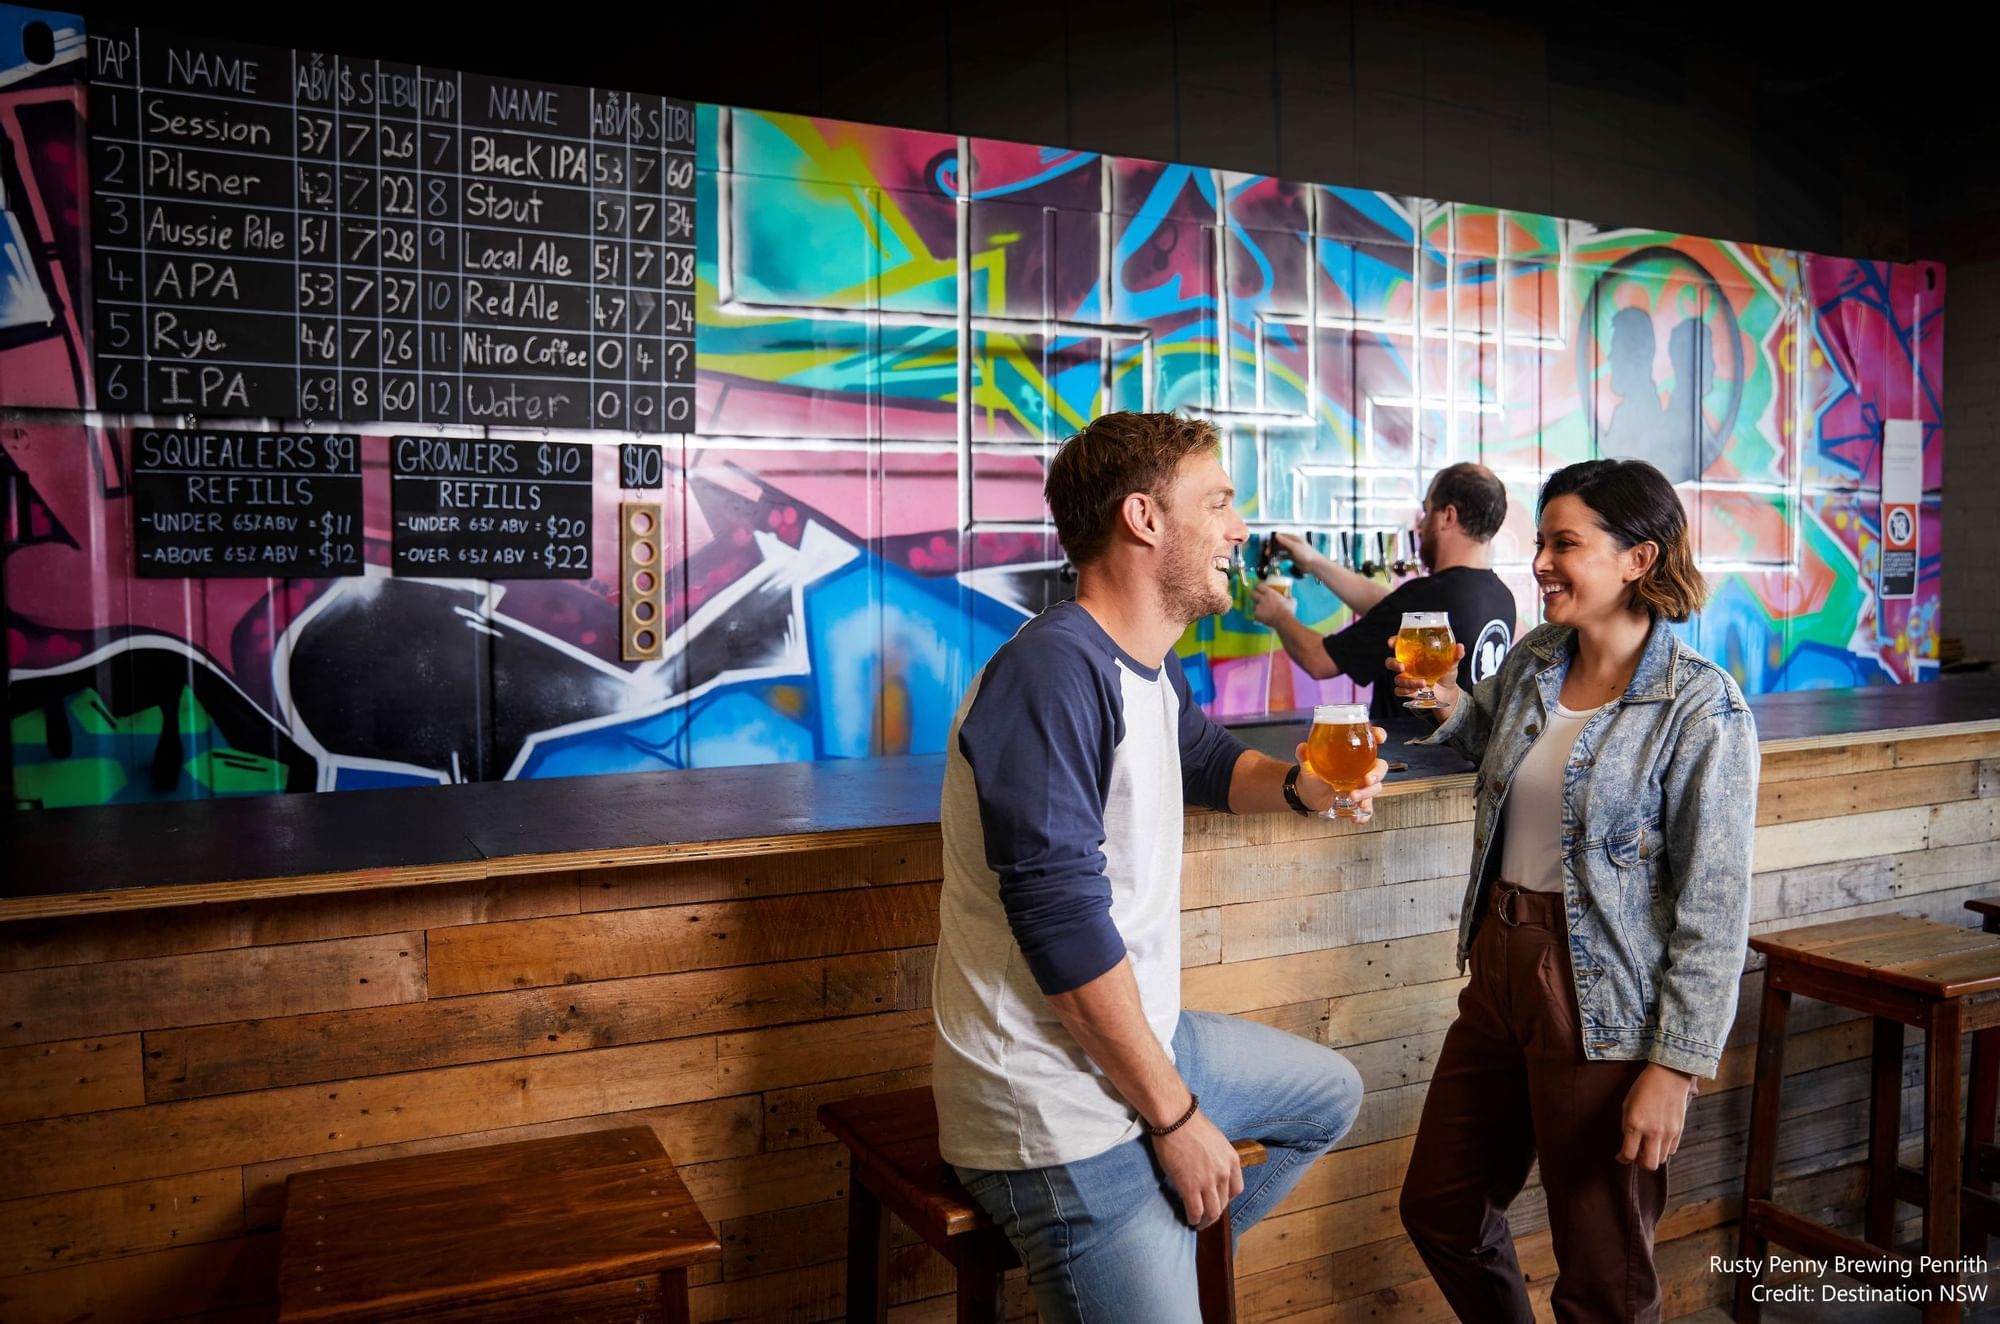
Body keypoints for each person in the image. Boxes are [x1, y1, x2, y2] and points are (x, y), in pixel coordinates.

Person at [935, 411, 1375, 1323]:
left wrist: (1306, 788)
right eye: (1217, 503)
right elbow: (1060, 925)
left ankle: (1160, 1259)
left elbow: (1208, 763)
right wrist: (1176, 1122)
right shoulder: (1052, 672)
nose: (1239, 529)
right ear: (1143, 518)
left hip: (1143, 1043)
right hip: (1052, 1105)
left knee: (1329, 1095)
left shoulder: (1142, 663)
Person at [1392, 458, 1760, 1323]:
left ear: (1638, 558)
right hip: (1498, 971)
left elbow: (1714, 909)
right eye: (1540, 543)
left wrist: (1674, 1066)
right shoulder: (1535, 661)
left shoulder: (1701, 709)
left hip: (1608, 1000)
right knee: (1442, 1207)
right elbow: (1485, 733)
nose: (1540, 564)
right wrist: (1446, 702)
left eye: (1565, 544)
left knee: (1602, 1278)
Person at [1251, 462, 1517, 723]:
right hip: (1462, 750)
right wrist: (1315, 563)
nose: (1420, 526)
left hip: (1410, 751)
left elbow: (1319, 660)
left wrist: (1278, 615)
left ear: (1448, 516)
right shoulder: (1501, 598)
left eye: (1426, 512)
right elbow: (1388, 610)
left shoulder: (1428, 596)